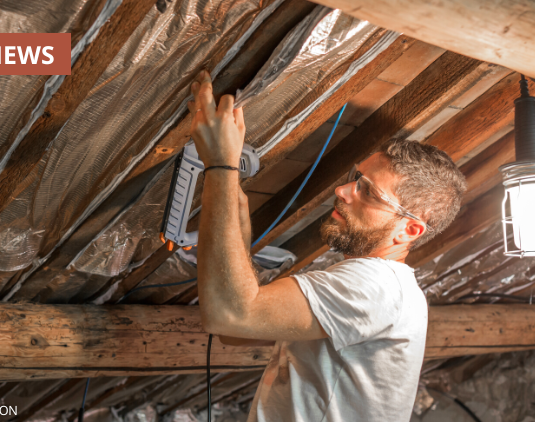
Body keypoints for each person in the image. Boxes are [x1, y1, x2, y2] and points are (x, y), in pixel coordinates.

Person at [187, 69, 467, 421]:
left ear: (408, 229)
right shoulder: (380, 287)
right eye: (356, 179)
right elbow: (235, 332)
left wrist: (221, 165)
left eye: (368, 191)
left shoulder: (374, 285)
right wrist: (235, 226)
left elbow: (229, 314)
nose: (342, 191)